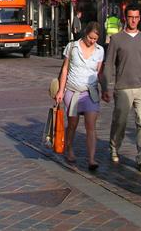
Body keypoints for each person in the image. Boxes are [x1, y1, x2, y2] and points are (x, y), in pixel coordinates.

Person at [101, 5, 141, 172]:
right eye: (131, 17)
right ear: (125, 18)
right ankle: (114, 147)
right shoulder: (117, 39)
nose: (134, 20)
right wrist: (106, 86)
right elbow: (108, 64)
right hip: (123, 87)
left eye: (137, 17)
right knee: (120, 122)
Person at [54, 22, 105, 171]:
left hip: (90, 91)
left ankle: (91, 159)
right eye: (90, 38)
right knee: (73, 124)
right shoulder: (72, 47)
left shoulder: (100, 51)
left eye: (95, 39)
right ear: (85, 34)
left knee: (91, 125)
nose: (92, 41)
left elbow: (99, 73)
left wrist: (105, 88)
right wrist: (60, 90)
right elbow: (65, 69)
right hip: (73, 90)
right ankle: (69, 148)